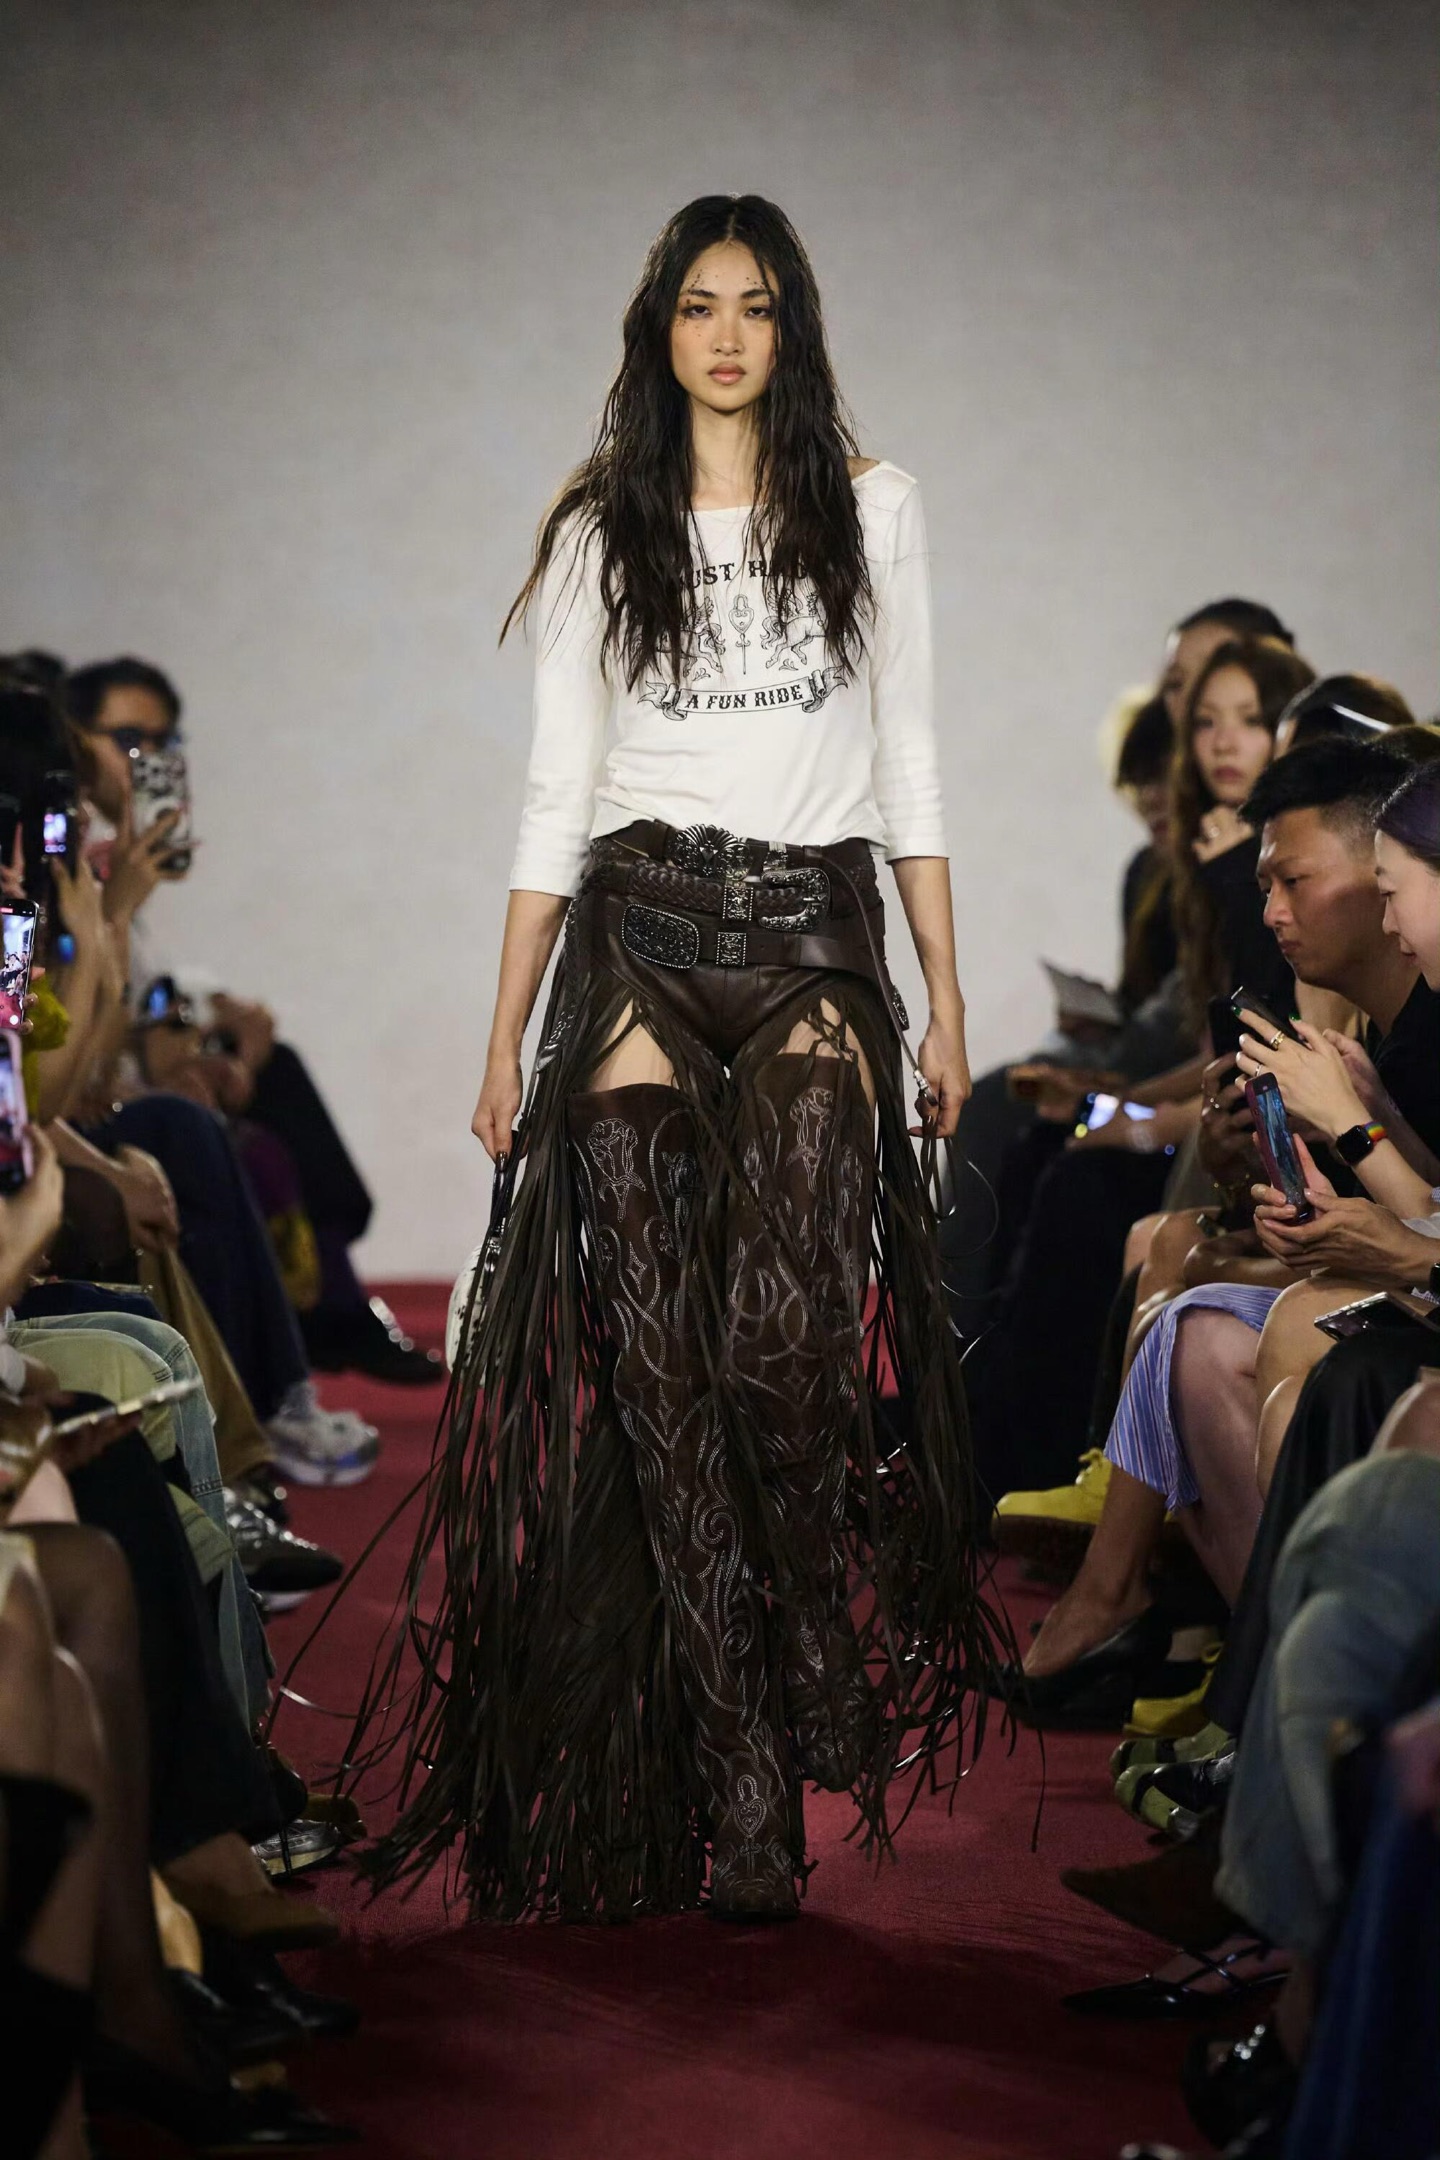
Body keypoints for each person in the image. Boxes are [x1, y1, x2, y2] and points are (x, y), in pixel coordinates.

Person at [350, 193, 998, 1924]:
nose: (726, 335)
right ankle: (744, 1785)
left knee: (785, 1358)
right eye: (699, 305)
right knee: (654, 1380)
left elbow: (911, 758)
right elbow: (556, 792)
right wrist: (504, 1031)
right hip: (636, 932)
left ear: (794, 330)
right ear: (659, 329)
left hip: (810, 937)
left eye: (756, 305)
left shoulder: (874, 509)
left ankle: (811, 1631)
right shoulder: (599, 526)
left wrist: (946, 994)